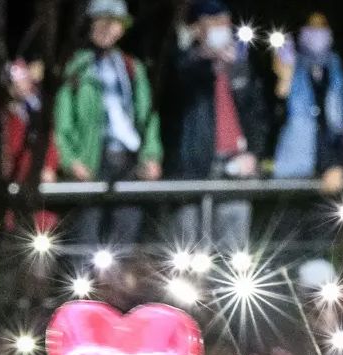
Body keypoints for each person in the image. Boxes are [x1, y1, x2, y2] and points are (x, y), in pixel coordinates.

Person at [53, 0, 163, 248]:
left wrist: (151, 155)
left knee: (125, 238)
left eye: (115, 23)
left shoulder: (131, 67)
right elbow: (61, 120)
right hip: (91, 160)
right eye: (102, 21)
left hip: (128, 159)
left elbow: (147, 115)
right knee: (85, 238)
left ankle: (119, 287)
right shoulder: (75, 66)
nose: (108, 28)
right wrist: (71, 161)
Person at [169, 0, 269, 250]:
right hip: (192, 168)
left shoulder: (241, 65)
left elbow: (257, 114)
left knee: (233, 251)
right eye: (211, 22)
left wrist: (254, 154)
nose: (221, 28)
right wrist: (204, 57)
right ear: (196, 27)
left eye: (224, 21)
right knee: (188, 250)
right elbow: (178, 90)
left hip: (237, 163)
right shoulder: (181, 63)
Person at [272, 13, 343, 190]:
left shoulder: (338, 70)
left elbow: (340, 127)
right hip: (293, 166)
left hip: (329, 170)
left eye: (322, 28)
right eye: (311, 28)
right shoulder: (289, 65)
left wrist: (337, 163)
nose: (317, 33)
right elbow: (273, 120)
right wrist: (283, 81)